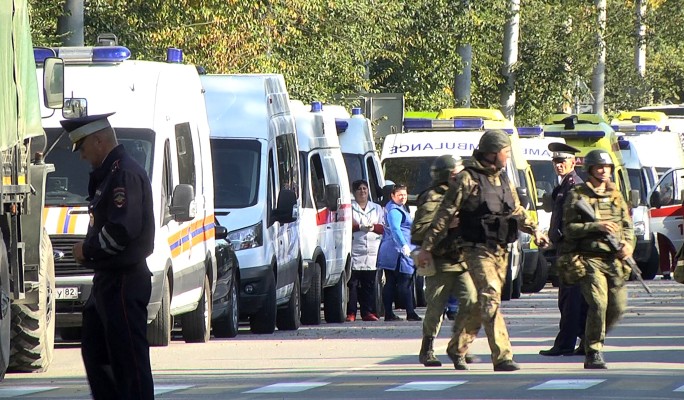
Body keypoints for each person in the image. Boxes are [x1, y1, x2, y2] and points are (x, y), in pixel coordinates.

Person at [417, 130, 549, 372]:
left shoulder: (503, 179)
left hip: (500, 250)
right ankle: (502, 356)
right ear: (492, 153)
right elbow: (444, 215)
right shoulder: (467, 179)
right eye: (505, 152)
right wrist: (427, 248)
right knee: (490, 296)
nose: (508, 156)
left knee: (482, 303)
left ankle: (457, 346)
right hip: (475, 250)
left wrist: (535, 231)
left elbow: (516, 210)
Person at [66, 113, 155, 399]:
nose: (81, 156)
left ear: (99, 141)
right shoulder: (110, 174)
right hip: (107, 281)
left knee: (129, 361)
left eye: (82, 148)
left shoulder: (123, 174)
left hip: (124, 280)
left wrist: (87, 250)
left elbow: (121, 230)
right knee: (96, 352)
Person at [558, 149, 634, 369]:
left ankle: (589, 339)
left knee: (617, 307)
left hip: (614, 260)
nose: (603, 171)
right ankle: (593, 351)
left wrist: (628, 245)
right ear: (589, 169)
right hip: (589, 259)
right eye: (599, 167)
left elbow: (626, 226)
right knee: (598, 304)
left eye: (607, 167)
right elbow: (569, 229)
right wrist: (596, 226)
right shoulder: (578, 195)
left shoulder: (615, 194)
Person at [411, 155, 481, 370]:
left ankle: (459, 346)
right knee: (436, 308)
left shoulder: (463, 193)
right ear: (448, 175)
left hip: (462, 260)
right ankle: (427, 348)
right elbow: (419, 232)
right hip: (439, 261)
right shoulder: (432, 197)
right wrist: (446, 225)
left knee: (472, 302)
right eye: (458, 172)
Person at [539, 142, 589, 357]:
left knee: (570, 300)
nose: (558, 165)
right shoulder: (564, 186)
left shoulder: (575, 186)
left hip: (573, 252)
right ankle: (585, 341)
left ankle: (565, 344)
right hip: (564, 249)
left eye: (562, 161)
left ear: (573, 162)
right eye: (555, 161)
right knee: (574, 300)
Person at [377, 184, 421, 322]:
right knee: (404, 281)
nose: (403, 197)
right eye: (400, 195)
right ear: (392, 196)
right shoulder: (394, 210)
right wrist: (404, 246)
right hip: (397, 252)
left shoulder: (397, 207)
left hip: (392, 250)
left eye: (405, 195)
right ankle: (410, 312)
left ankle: (390, 313)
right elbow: (395, 229)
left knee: (391, 282)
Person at [347, 179, 384, 322]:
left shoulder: (376, 208)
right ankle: (351, 312)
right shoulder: (350, 208)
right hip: (355, 248)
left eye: (365, 189)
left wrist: (373, 227)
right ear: (354, 192)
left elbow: (383, 227)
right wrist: (359, 227)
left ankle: (367, 312)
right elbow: (346, 226)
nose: (362, 191)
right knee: (353, 284)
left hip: (372, 250)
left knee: (369, 283)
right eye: (359, 189)